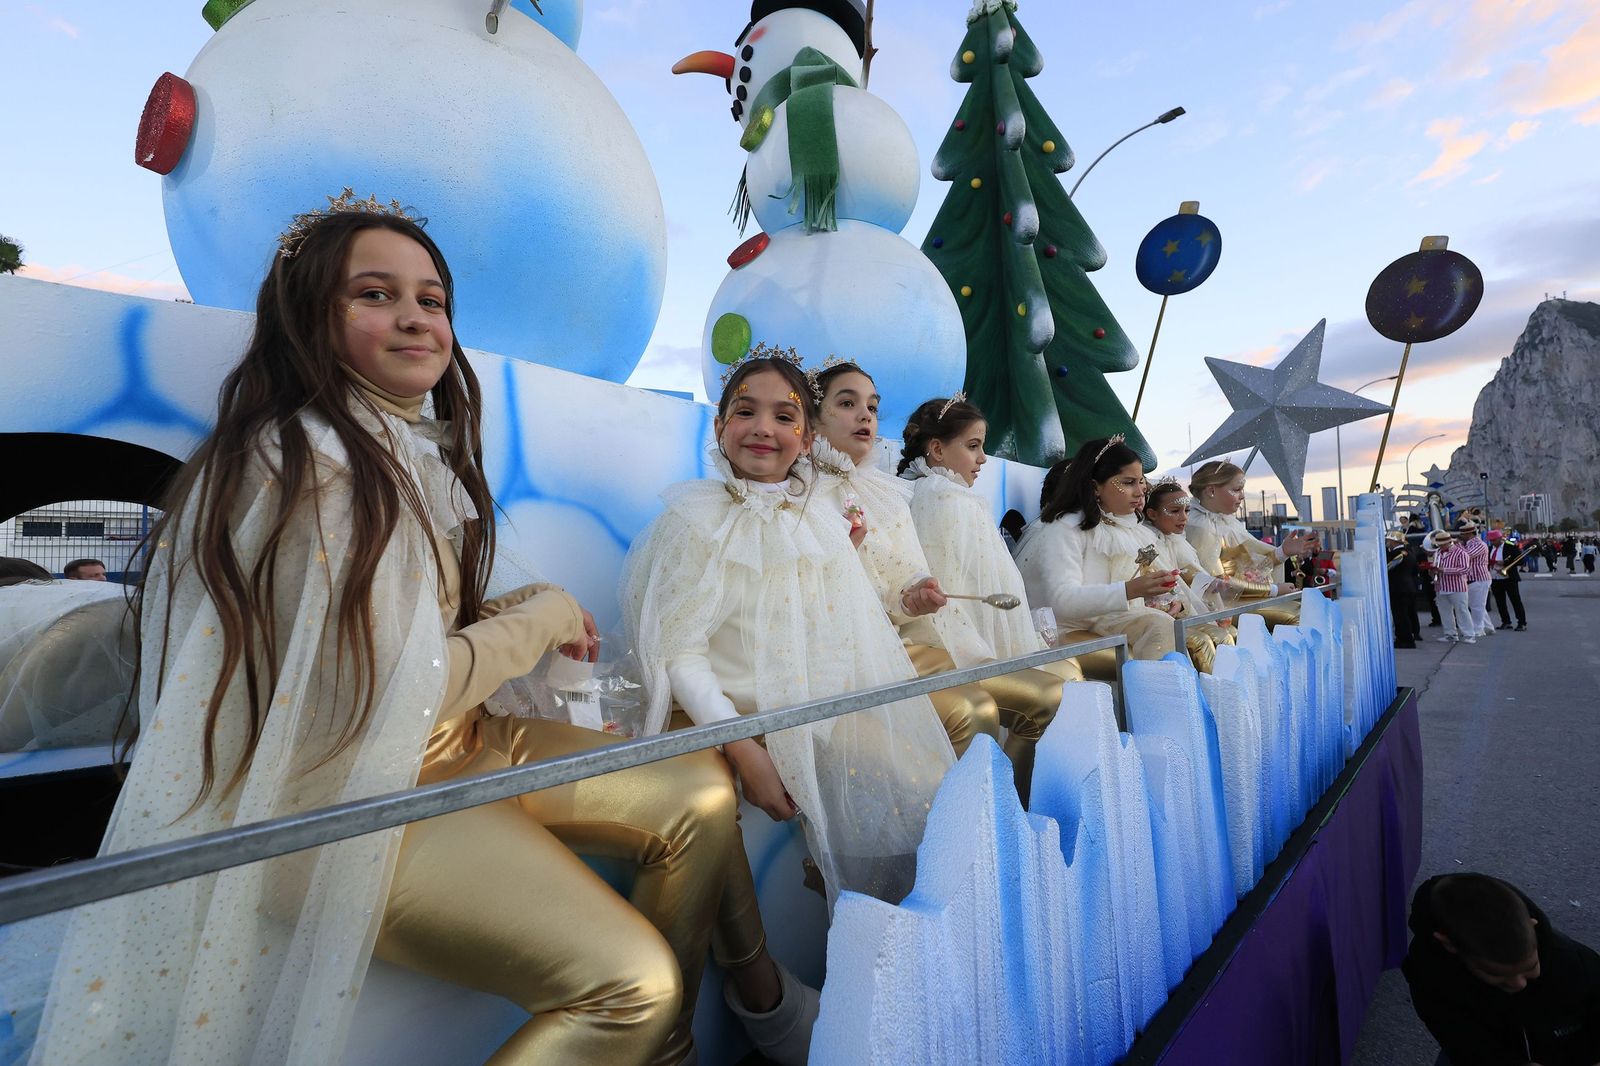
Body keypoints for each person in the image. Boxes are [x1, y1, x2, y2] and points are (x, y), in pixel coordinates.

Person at [33, 204, 740, 1066]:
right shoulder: (309, 465)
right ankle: (650, 1033)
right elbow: (385, 694)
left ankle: (661, 1053)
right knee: (634, 984)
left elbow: (408, 615)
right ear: (310, 319)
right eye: (375, 293)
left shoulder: (397, 447)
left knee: (701, 791)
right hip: (347, 796)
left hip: (453, 744)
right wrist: (541, 621)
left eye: (431, 299)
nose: (415, 316)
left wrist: (520, 600)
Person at [622, 349, 956, 1057]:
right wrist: (744, 743)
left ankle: (890, 980)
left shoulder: (818, 518)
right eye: (745, 411)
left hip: (807, 705)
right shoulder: (696, 517)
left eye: (784, 415)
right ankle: (751, 1000)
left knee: (923, 789)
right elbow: (680, 651)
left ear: (806, 437)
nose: (762, 428)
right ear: (718, 425)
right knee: (710, 812)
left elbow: (839, 622)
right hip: (723, 712)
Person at [802, 364, 1004, 762]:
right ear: (812, 418)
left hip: (894, 642)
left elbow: (904, 574)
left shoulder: (887, 494)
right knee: (971, 711)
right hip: (833, 657)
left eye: (873, 408)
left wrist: (914, 596)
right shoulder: (798, 491)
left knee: (980, 704)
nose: (865, 416)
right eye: (847, 403)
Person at [894, 390, 1079, 802]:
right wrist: (982, 656)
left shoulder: (952, 498)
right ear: (937, 449)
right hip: (944, 649)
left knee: (1068, 678)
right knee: (1061, 689)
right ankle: (1007, 807)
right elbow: (948, 598)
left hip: (961, 641)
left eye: (983, 448)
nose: (982, 459)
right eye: (973, 446)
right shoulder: (941, 500)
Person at [1402, 873, 1600, 1066]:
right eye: (1497, 975)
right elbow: (1461, 1039)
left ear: (1533, 927)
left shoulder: (1574, 962)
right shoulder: (1431, 978)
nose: (1519, 983)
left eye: (1531, 967)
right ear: (1450, 945)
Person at [1014, 436, 1180, 662]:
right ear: (1095, 487)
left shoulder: (1122, 526)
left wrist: (1163, 594)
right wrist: (1129, 590)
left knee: (1167, 624)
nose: (1141, 492)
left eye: (1140, 482)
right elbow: (1062, 600)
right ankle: (1158, 695)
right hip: (1063, 628)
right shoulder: (1064, 528)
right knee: (1159, 626)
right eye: (1128, 482)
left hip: (1105, 620)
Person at [1184, 460, 1319, 628]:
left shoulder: (1227, 523)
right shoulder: (1201, 527)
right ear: (1211, 490)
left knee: (1310, 610)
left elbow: (1250, 565)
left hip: (1240, 599)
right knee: (1298, 615)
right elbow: (1217, 584)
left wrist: (1283, 551)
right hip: (1222, 607)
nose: (1242, 496)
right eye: (1236, 489)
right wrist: (1274, 589)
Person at [1141, 479, 1235, 671]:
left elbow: (1191, 574)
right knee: (1202, 641)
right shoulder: (1148, 541)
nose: (1184, 517)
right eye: (1175, 511)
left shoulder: (1174, 541)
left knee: (1226, 635)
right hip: (1157, 616)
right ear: (1151, 514)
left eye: (1186, 511)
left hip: (1179, 608)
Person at [1427, 528, 1474, 644]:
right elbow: (1436, 566)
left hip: (1457, 587)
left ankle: (1469, 634)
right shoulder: (1437, 552)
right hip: (1441, 586)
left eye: (1442, 544)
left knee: (1462, 611)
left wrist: (1445, 570)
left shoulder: (1461, 553)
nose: (1440, 546)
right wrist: (1432, 571)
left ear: (1449, 542)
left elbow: (1465, 569)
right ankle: (1450, 634)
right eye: (1439, 544)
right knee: (1444, 612)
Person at [1459, 518, 1495, 639]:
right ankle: (1488, 627)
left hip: (1479, 578)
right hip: (1473, 579)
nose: (1460, 536)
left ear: (1469, 534)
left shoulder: (1479, 544)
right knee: (1477, 604)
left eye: (1462, 534)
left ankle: (1478, 629)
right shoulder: (1468, 544)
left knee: (1476, 606)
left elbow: (1466, 556)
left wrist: (1456, 546)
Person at [1387, 529, 1421, 649]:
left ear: (1394, 542)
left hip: (1399, 588)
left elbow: (1387, 568)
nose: (1387, 543)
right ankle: (1407, 636)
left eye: (1389, 541)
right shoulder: (1409, 552)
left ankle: (1405, 639)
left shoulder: (1398, 554)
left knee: (1400, 616)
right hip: (1408, 587)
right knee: (1406, 614)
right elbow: (1415, 570)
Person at [1487, 531, 1527, 632]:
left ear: (1500, 539)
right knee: (1500, 602)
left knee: (1515, 601)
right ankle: (1506, 622)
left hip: (1509, 578)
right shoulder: (1490, 549)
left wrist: (1505, 562)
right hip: (1495, 578)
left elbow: (1521, 561)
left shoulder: (1510, 547)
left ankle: (1521, 623)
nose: (1492, 542)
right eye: (1491, 540)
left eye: (1494, 540)